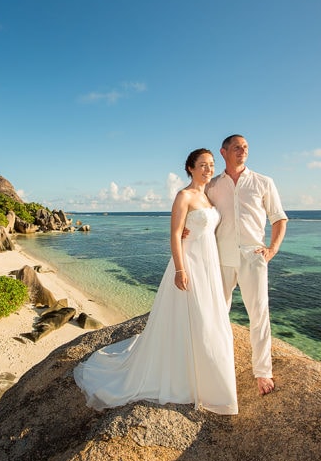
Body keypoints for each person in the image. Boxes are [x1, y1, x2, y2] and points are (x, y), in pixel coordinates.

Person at [74, 148, 238, 415]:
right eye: (203, 165)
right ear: (190, 168)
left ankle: (209, 376)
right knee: (193, 317)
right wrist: (179, 269)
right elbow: (175, 234)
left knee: (207, 318)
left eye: (211, 164)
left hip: (209, 264)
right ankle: (187, 377)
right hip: (190, 263)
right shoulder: (183, 196)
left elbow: (206, 229)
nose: (208, 169)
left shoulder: (208, 197)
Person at [204, 134, 288, 396]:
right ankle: (214, 367)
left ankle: (263, 372)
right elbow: (202, 216)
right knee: (217, 313)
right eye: (237, 147)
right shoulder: (213, 186)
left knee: (259, 315)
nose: (243, 151)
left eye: (246, 147)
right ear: (224, 152)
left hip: (253, 257)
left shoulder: (264, 182)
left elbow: (279, 219)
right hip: (221, 257)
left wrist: (272, 249)